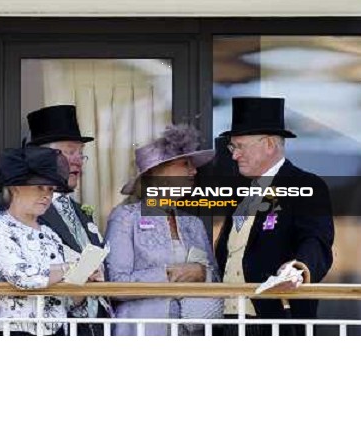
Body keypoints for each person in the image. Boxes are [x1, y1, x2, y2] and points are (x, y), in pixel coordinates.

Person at [215, 97, 334, 334]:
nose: (234, 155)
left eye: (240, 146)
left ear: (269, 144)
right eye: (232, 147)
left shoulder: (305, 184)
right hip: (227, 321)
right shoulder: (240, 192)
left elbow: (316, 241)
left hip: (275, 320)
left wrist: (299, 268)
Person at [105, 124, 224, 336]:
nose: (193, 171)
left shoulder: (192, 224)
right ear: (158, 172)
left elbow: (215, 277)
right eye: (185, 164)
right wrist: (169, 274)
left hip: (192, 333)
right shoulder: (125, 218)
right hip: (142, 331)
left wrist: (202, 273)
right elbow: (115, 284)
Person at [0, 146, 95, 336]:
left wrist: (85, 276)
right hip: (13, 334)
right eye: (39, 187)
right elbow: (22, 277)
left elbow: (69, 301)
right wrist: (70, 268)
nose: (47, 195)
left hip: (57, 334)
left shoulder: (51, 234)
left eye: (50, 189)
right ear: (15, 187)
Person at [26, 104, 111, 335]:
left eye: (80, 153)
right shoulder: (22, 212)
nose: (78, 161)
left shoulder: (80, 212)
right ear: (42, 156)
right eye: (69, 152)